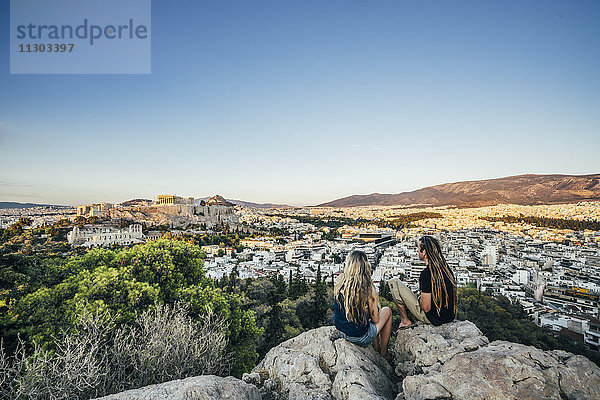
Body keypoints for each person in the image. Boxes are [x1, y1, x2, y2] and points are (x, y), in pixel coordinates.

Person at [334, 250, 393, 359]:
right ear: (365, 265)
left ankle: (376, 349)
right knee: (387, 311)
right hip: (358, 337)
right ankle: (384, 352)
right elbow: (376, 319)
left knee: (367, 313)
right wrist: (375, 297)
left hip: (341, 332)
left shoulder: (341, 280)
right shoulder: (367, 288)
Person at [388, 235, 457, 329]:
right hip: (447, 318)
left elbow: (426, 307)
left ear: (424, 252)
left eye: (418, 247)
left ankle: (405, 321)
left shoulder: (427, 274)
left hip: (433, 319)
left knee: (393, 282)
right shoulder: (446, 269)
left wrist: (420, 297)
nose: (417, 250)